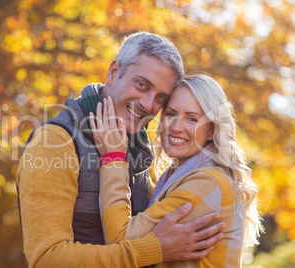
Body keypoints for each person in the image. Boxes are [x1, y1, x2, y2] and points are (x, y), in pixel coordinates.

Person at [16, 32, 226, 267]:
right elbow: (46, 259)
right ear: (113, 73)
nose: (148, 104)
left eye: (160, 98)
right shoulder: (54, 142)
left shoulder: (135, 149)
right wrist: (155, 249)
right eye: (141, 85)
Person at [90, 74, 263, 267]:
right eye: (171, 114)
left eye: (192, 118)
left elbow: (120, 239)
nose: (176, 127)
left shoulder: (207, 182)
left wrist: (113, 159)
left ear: (213, 130)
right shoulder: (184, 176)